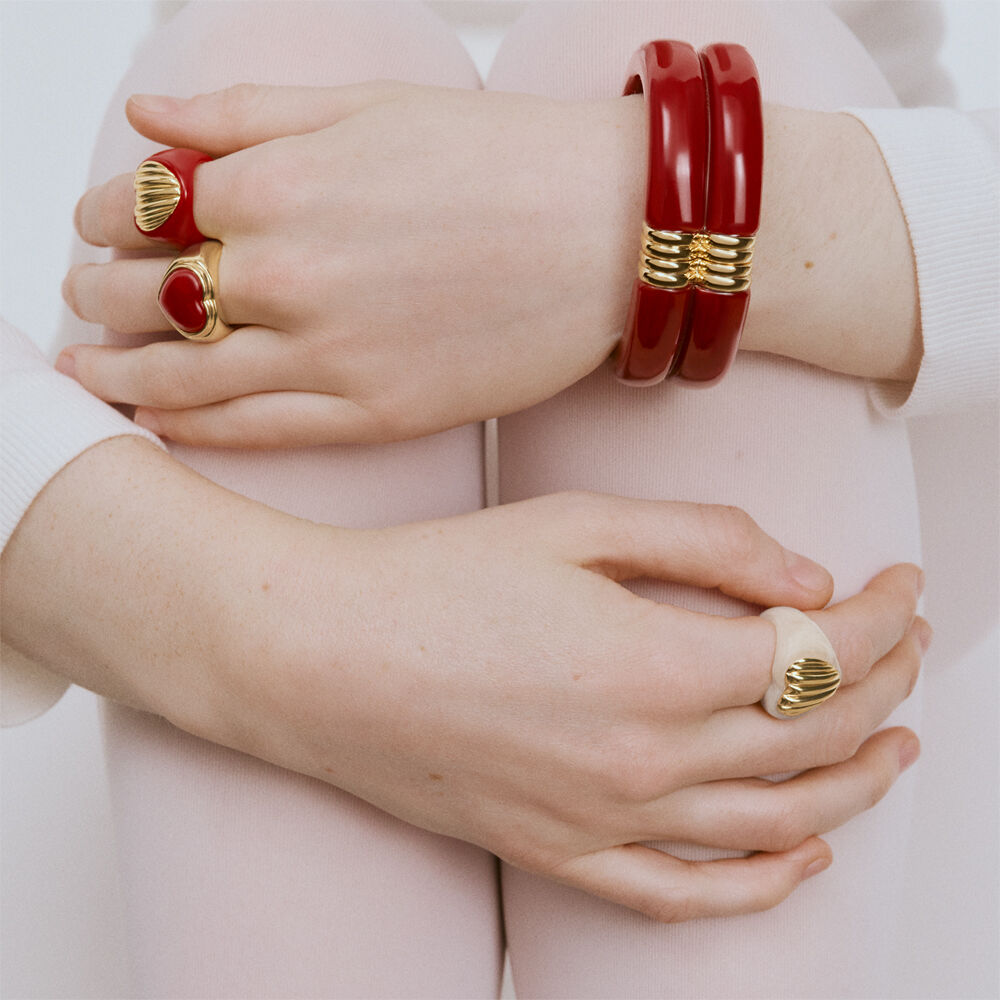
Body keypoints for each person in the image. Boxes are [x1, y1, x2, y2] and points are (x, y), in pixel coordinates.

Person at [1, 2, 996, 997]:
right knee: (278, 61)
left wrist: (650, 206)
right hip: (246, 341)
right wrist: (289, 642)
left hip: (875, 319)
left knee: (696, 36)